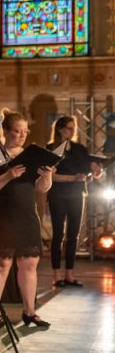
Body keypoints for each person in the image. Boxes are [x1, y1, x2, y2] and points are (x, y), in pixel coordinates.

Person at [0, 109, 55, 329]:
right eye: (17, 131)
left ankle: (30, 311)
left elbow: (41, 188)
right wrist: (8, 175)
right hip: (4, 215)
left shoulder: (30, 155)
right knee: (1, 264)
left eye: (25, 131)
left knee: (29, 263)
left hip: (27, 215)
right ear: (6, 131)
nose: (22, 135)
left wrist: (47, 176)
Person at [47, 115, 102, 287]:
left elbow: (88, 167)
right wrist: (72, 178)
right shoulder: (51, 149)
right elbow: (50, 176)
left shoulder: (79, 149)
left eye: (74, 128)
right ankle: (56, 274)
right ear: (60, 129)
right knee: (58, 234)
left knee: (73, 235)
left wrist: (96, 169)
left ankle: (69, 274)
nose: (72, 131)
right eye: (69, 128)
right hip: (57, 194)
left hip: (77, 195)